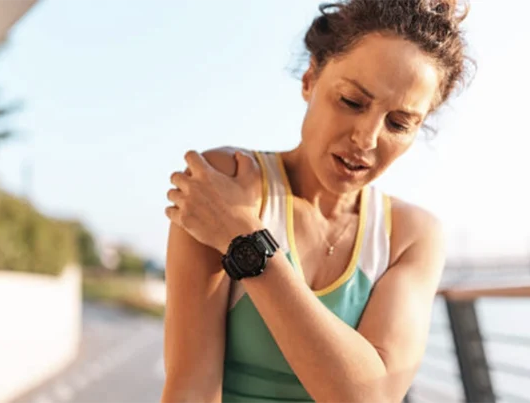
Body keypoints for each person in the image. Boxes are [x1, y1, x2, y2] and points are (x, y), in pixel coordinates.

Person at [161, 0, 472, 401]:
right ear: (310, 79)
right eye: (352, 102)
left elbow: (372, 398)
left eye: (398, 123)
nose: (366, 139)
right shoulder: (226, 179)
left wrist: (246, 241)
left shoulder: (410, 236)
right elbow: (190, 390)